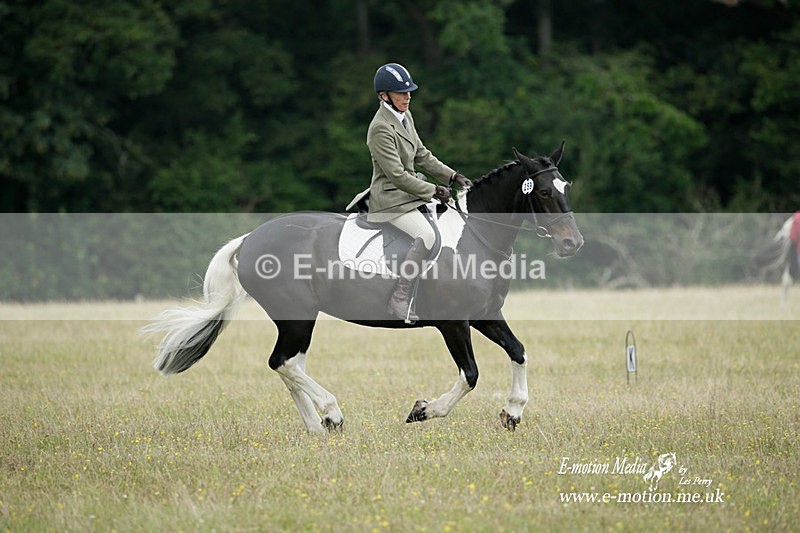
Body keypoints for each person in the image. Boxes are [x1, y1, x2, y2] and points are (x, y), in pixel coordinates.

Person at [358, 62, 472, 322]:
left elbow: (422, 154)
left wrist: (452, 175)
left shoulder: (405, 116)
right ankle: (400, 298)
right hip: (390, 199)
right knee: (428, 235)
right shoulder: (380, 128)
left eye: (409, 92)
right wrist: (433, 189)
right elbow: (397, 175)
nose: (407, 97)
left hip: (409, 194)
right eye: (401, 93)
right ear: (384, 95)